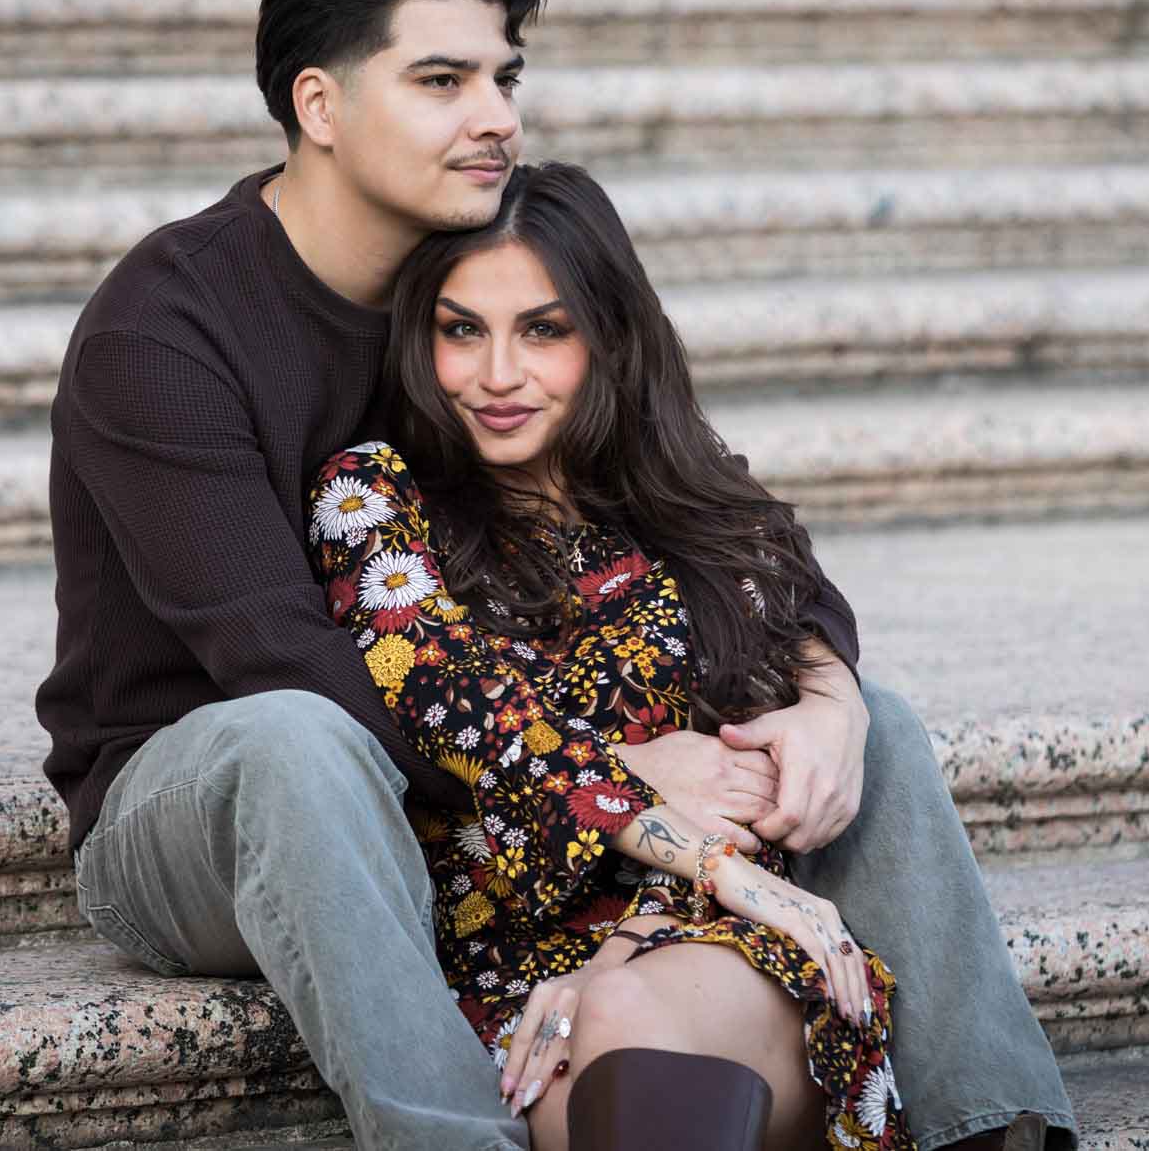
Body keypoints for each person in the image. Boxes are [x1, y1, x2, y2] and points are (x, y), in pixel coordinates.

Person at [37, 0, 1074, 1151]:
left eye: (503, 79)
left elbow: (701, 509)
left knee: (877, 730)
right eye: (440, 81)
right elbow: (293, 661)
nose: (493, 120)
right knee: (299, 744)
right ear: (318, 102)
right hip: (211, 800)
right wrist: (624, 775)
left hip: (497, 783)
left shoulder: (457, 275)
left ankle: (996, 1124)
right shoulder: (168, 330)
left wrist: (829, 703)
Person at [306, 161, 920, 1151]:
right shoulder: (373, 502)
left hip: (706, 939)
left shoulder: (687, 500)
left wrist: (651, 929)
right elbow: (477, 724)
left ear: (606, 337)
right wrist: (708, 860)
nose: (496, 373)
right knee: (601, 1038)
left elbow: (750, 772)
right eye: (461, 328)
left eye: (542, 329)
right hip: (505, 973)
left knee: (628, 1012)